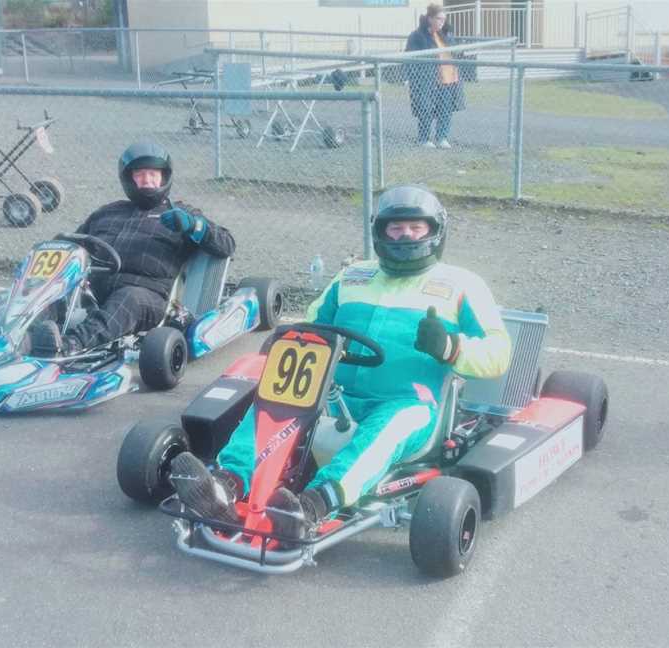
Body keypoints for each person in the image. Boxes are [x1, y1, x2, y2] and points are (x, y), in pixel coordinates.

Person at [170, 184, 511, 540]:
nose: (405, 235)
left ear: (435, 231)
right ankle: (226, 484)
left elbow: (499, 352)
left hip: (408, 403)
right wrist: (286, 338)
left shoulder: (462, 285)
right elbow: (313, 325)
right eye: (396, 227)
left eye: (416, 227)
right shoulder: (352, 277)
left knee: (388, 428)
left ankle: (312, 505)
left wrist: (451, 347)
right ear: (381, 231)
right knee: (273, 400)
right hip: (332, 393)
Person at [27, 141, 236, 355]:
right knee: (51, 290)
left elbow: (226, 244)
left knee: (127, 299)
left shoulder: (180, 213)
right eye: (140, 174)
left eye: (153, 174)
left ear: (164, 177)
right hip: (93, 291)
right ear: (128, 178)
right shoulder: (107, 213)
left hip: (147, 297)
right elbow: (73, 246)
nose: (147, 180)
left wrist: (194, 225)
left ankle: (71, 345)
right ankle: (12, 333)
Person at [405, 3, 467, 149]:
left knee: (445, 110)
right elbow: (410, 58)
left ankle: (442, 138)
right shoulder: (417, 36)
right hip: (428, 81)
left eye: (443, 19)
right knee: (425, 109)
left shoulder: (446, 34)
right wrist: (412, 78)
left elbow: (453, 52)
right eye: (439, 19)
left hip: (449, 79)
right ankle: (424, 139)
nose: (442, 22)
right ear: (430, 18)